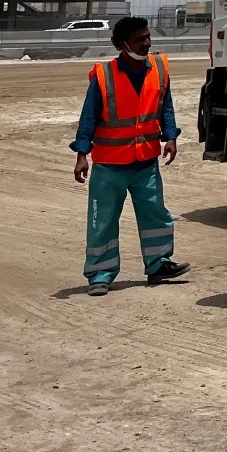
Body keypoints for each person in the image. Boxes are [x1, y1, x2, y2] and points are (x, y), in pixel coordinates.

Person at [71, 16, 191, 295]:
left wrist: (171, 137)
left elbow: (166, 105)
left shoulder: (159, 67)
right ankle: (100, 274)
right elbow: (88, 117)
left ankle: (158, 264)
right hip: (109, 165)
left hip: (145, 162)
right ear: (122, 45)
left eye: (147, 37)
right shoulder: (103, 76)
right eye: (139, 39)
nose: (146, 43)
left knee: (155, 215)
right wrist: (81, 154)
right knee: (102, 222)